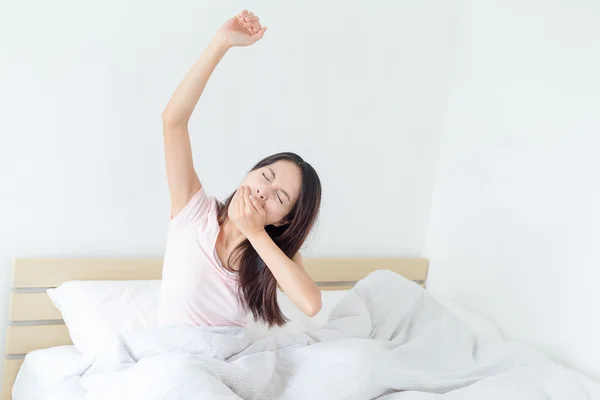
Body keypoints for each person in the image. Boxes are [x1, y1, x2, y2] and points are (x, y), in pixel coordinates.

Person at [158, 10, 322, 329]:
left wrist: (255, 232)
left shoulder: (272, 252)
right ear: (251, 173)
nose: (264, 191)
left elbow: (311, 305)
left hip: (228, 364)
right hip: (176, 360)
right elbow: (172, 122)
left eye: (280, 196)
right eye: (266, 176)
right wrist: (221, 43)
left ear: (286, 218)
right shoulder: (194, 213)